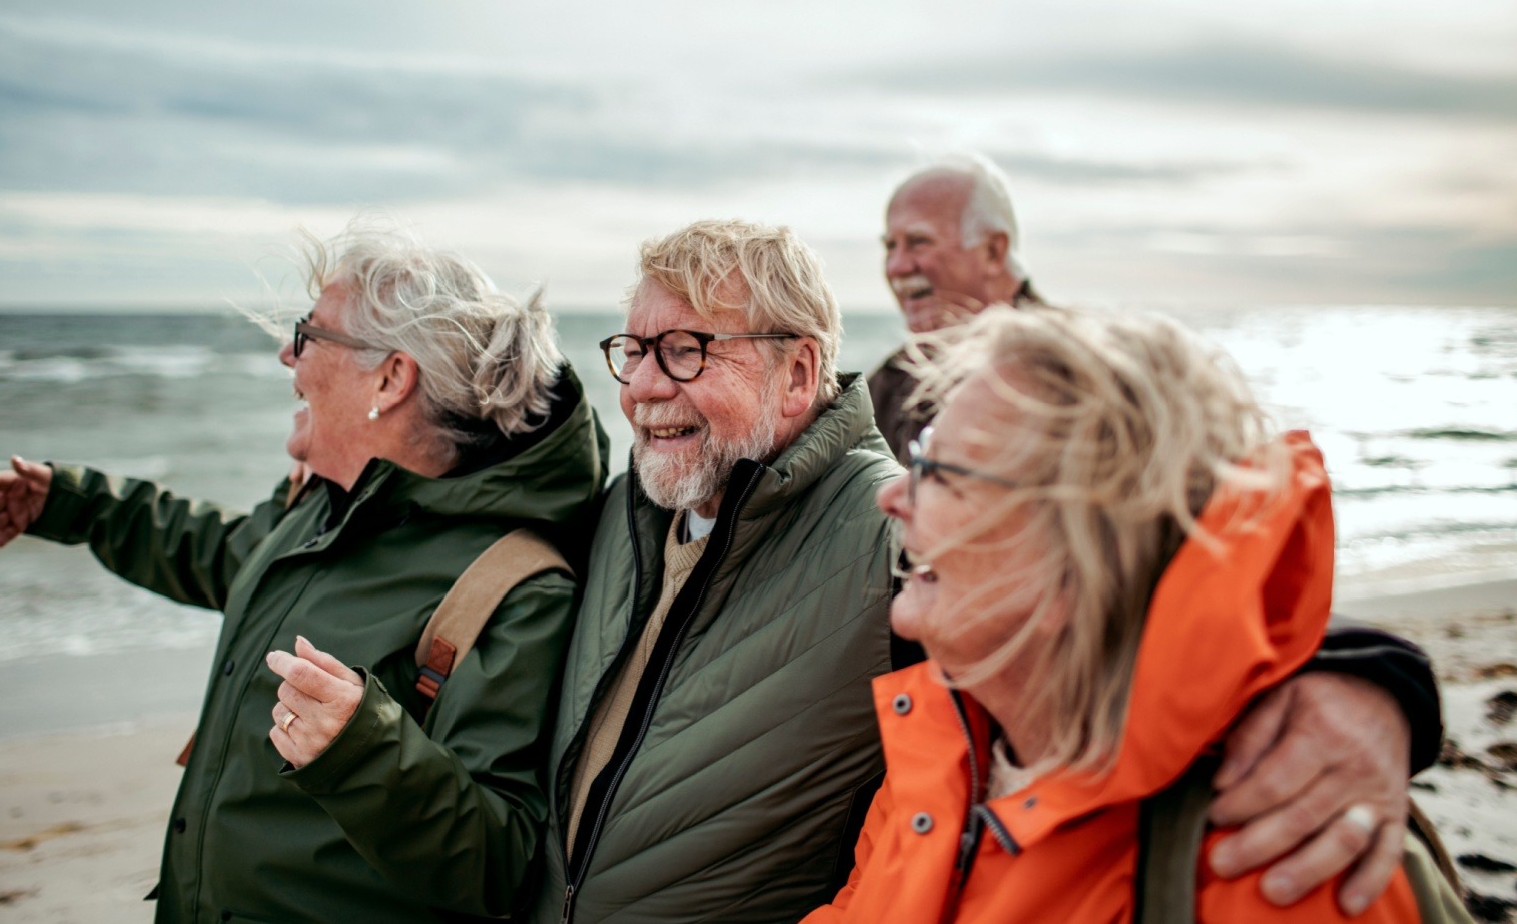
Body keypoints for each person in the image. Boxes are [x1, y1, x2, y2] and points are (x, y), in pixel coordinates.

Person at [527, 220, 1439, 924]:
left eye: (684, 349)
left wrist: (1360, 673)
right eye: (633, 351)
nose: (643, 383)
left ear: (801, 371)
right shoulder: (941, 762)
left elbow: (1171, 579)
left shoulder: (1268, 862)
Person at [0, 225, 606, 923]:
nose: (285, 353)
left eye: (310, 333)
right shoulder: (324, 505)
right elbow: (223, 554)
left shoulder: (515, 588)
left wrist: (363, 749)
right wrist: (76, 504)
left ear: (390, 378)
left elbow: (500, 865)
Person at [805, 306, 1466, 922]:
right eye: (914, 456)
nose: (893, 494)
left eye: (940, 471)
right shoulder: (940, 753)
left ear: (1080, 553)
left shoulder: (1286, 864)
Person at [871, 155, 1036, 462]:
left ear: (993, 252)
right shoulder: (885, 387)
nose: (896, 266)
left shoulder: (1064, 373)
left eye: (919, 241)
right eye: (890, 246)